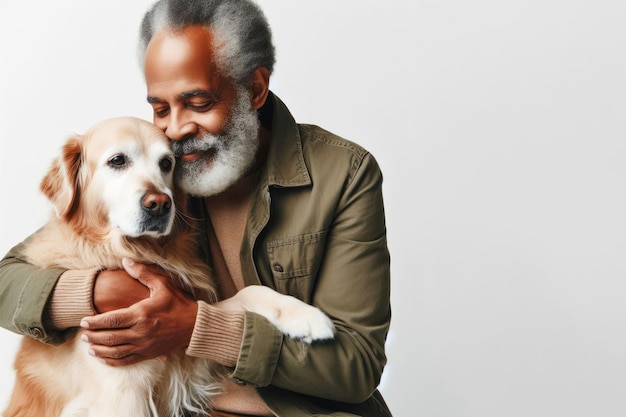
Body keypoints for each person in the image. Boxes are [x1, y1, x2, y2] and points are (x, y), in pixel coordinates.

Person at [0, 0, 392, 415]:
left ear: (255, 89)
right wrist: (101, 290)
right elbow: (10, 282)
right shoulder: (160, 167)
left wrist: (195, 327)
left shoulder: (344, 173)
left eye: (199, 103)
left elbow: (357, 367)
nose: (175, 129)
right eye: (159, 107)